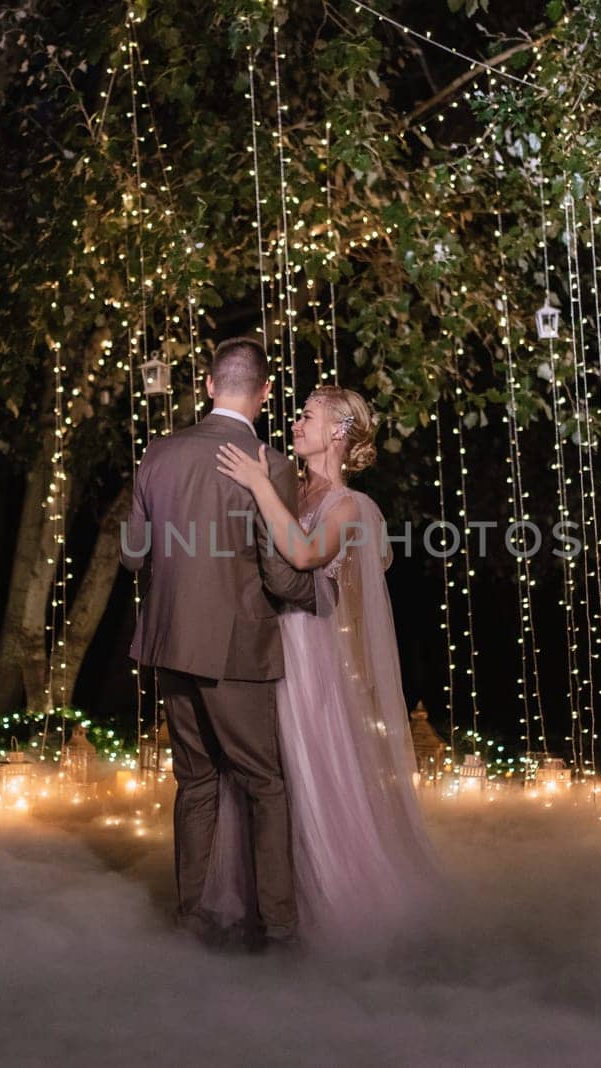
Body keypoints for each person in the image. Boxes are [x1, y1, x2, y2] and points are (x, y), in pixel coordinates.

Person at [202, 384, 445, 948]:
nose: (296, 422)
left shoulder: (351, 506)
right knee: (259, 773)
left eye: (308, 415)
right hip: (263, 641)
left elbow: (307, 557)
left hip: (308, 654)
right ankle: (261, 897)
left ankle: (320, 905)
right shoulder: (295, 490)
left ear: (338, 431)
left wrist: (260, 484)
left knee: (300, 768)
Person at [120, 337, 316, 950]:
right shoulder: (269, 461)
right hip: (235, 647)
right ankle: (278, 927)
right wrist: (321, 593)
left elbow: (131, 555)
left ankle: (190, 919)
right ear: (264, 393)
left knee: (196, 781)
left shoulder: (157, 453)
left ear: (207, 386)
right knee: (264, 784)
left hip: (169, 641)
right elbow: (279, 570)